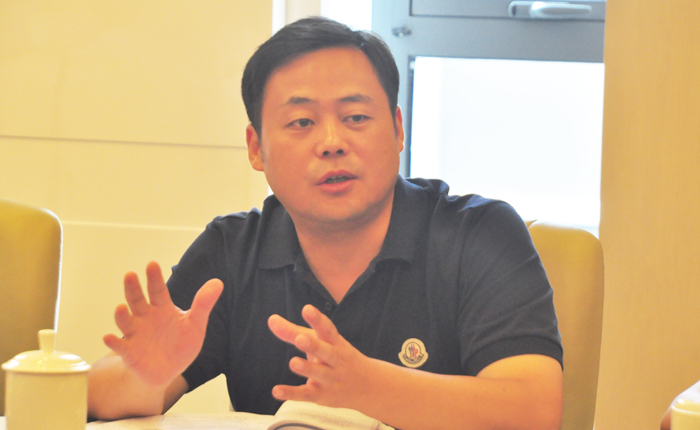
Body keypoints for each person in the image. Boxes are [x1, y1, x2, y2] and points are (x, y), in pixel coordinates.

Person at [87, 17, 563, 430]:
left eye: (355, 117)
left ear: (398, 129)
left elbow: (534, 410)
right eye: (301, 122)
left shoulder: (478, 234)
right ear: (256, 148)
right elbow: (97, 395)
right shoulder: (232, 251)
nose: (332, 142)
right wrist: (141, 380)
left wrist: (366, 386)